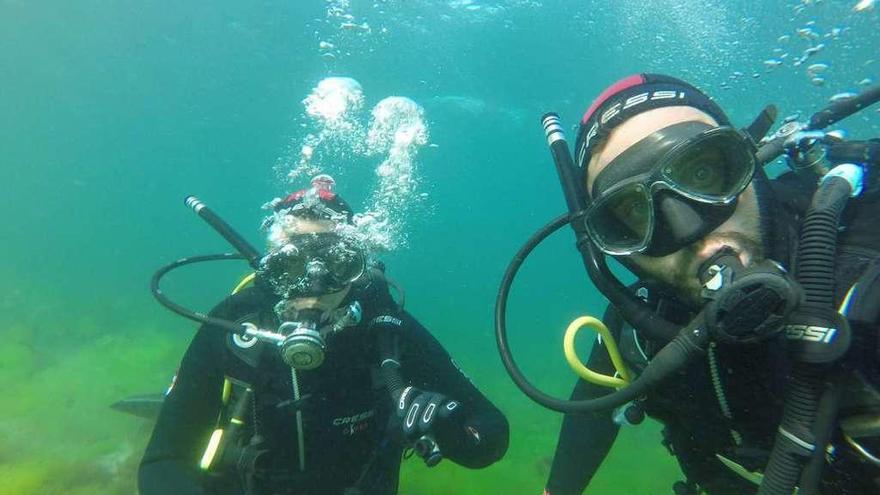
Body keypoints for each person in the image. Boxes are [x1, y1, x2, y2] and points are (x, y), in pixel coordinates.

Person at [541, 74, 880, 494]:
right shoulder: (640, 335)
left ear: (748, 162)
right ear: (618, 247)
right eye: (634, 211)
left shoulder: (865, 249)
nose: (690, 230)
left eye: (702, 172)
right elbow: (588, 417)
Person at [139, 176, 509, 495]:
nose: (314, 286)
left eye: (337, 262)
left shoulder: (385, 329)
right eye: (293, 262)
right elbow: (164, 458)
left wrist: (451, 430)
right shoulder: (237, 323)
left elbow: (491, 435)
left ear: (359, 265)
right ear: (272, 262)